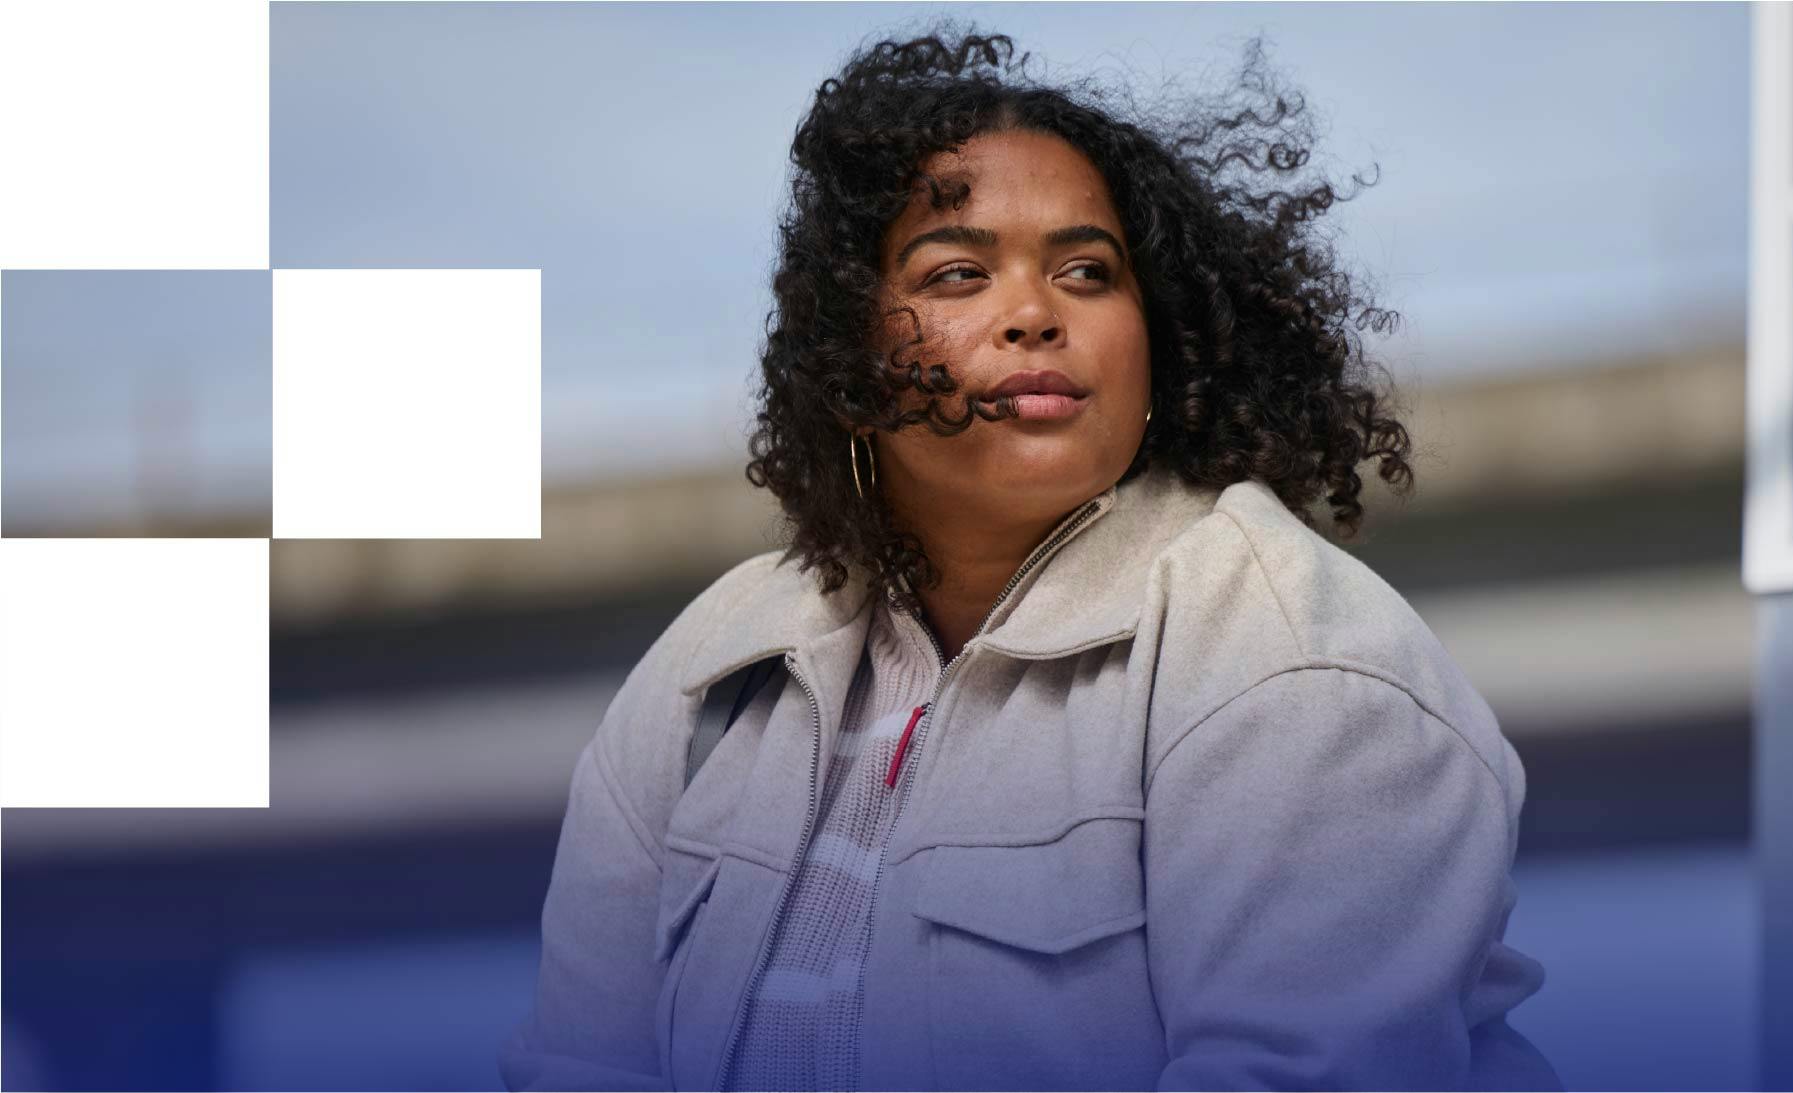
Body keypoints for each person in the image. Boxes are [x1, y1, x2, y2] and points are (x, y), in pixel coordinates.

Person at [502, 24, 1559, 1092]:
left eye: (1087, 272)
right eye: (959, 273)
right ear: (850, 345)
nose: (1033, 314)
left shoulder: (1292, 654)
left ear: (1163, 341)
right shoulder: (707, 668)